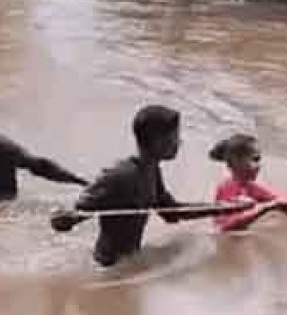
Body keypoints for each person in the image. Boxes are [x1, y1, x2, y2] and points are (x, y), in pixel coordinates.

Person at [50, 105, 251, 267]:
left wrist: (225, 207)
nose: (179, 143)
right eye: (174, 137)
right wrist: (65, 218)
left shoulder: (151, 170)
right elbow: (76, 211)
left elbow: (171, 213)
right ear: (157, 141)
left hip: (129, 262)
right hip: (107, 267)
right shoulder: (121, 174)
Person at [209, 133, 287, 232]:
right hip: (228, 241)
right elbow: (225, 226)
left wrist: (274, 205)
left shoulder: (251, 186)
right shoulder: (227, 186)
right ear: (234, 162)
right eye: (255, 159)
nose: (259, 165)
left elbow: (280, 199)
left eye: (259, 160)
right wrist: (264, 208)